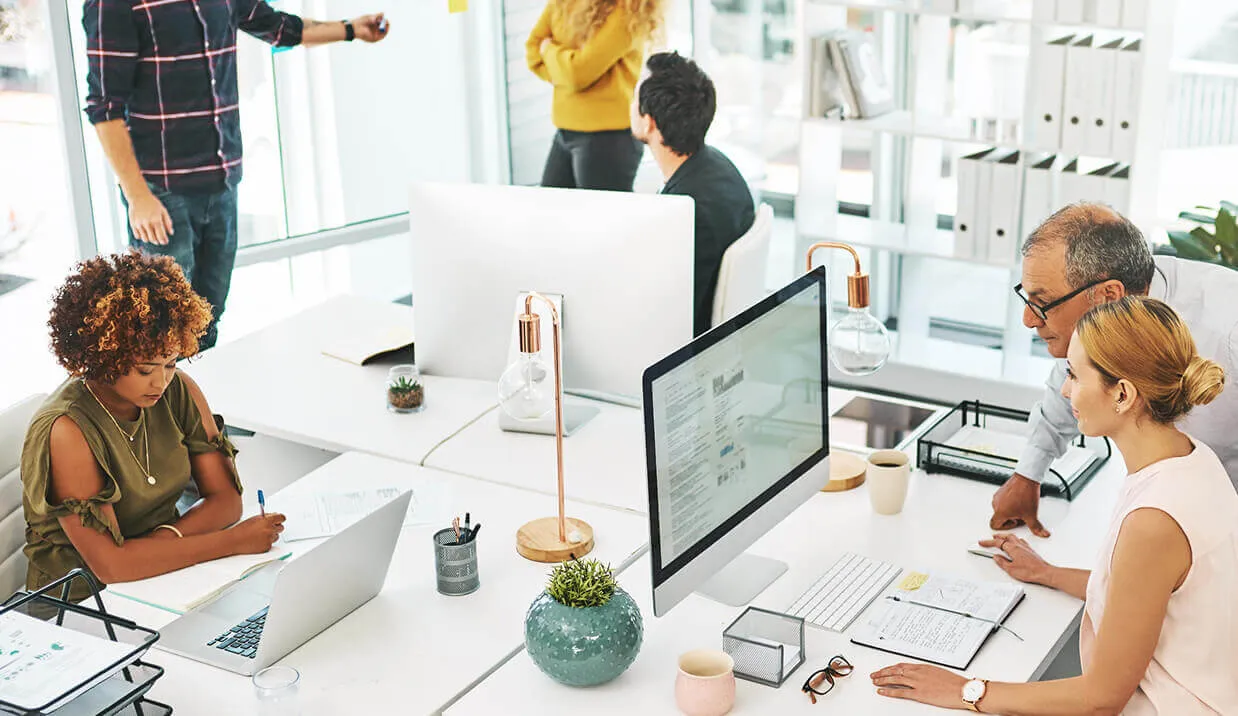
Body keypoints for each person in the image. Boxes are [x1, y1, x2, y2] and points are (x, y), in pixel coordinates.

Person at [872, 296, 1238, 714]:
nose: (1066, 390)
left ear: (1122, 394)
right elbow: (1142, 594)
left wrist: (965, 691)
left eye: (1074, 375)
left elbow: (1101, 698)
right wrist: (1048, 573)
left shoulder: (1154, 520)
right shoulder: (1192, 459)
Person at [84, 0, 391, 350]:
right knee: (162, 330)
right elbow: (104, 106)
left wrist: (351, 29)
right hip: (161, 193)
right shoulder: (113, 4)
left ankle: (198, 404)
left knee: (208, 320)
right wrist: (138, 196)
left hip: (222, 181)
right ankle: (167, 405)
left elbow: (279, 27)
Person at [21, 252, 286, 601]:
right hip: (84, 606)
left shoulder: (179, 390)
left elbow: (226, 501)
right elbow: (112, 567)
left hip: (166, 576)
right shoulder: (67, 430)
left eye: (171, 363)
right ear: (105, 356)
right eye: (145, 369)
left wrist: (162, 542)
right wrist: (233, 542)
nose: (160, 382)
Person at [990, 203, 1238, 537]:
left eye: (1042, 303)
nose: (1029, 320)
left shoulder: (1228, 325)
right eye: (1027, 299)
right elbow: (1074, 381)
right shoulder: (1106, 317)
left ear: (1108, 295)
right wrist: (1028, 475)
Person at [630, 51, 755, 336]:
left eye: (634, 97)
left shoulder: (685, 214)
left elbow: (663, 316)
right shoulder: (719, 166)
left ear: (649, 122)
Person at [527, 0, 664, 192]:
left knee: (602, 219)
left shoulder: (629, 11)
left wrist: (549, 51)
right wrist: (565, 72)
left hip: (608, 140)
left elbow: (578, 74)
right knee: (552, 215)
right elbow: (533, 50)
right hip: (565, 130)